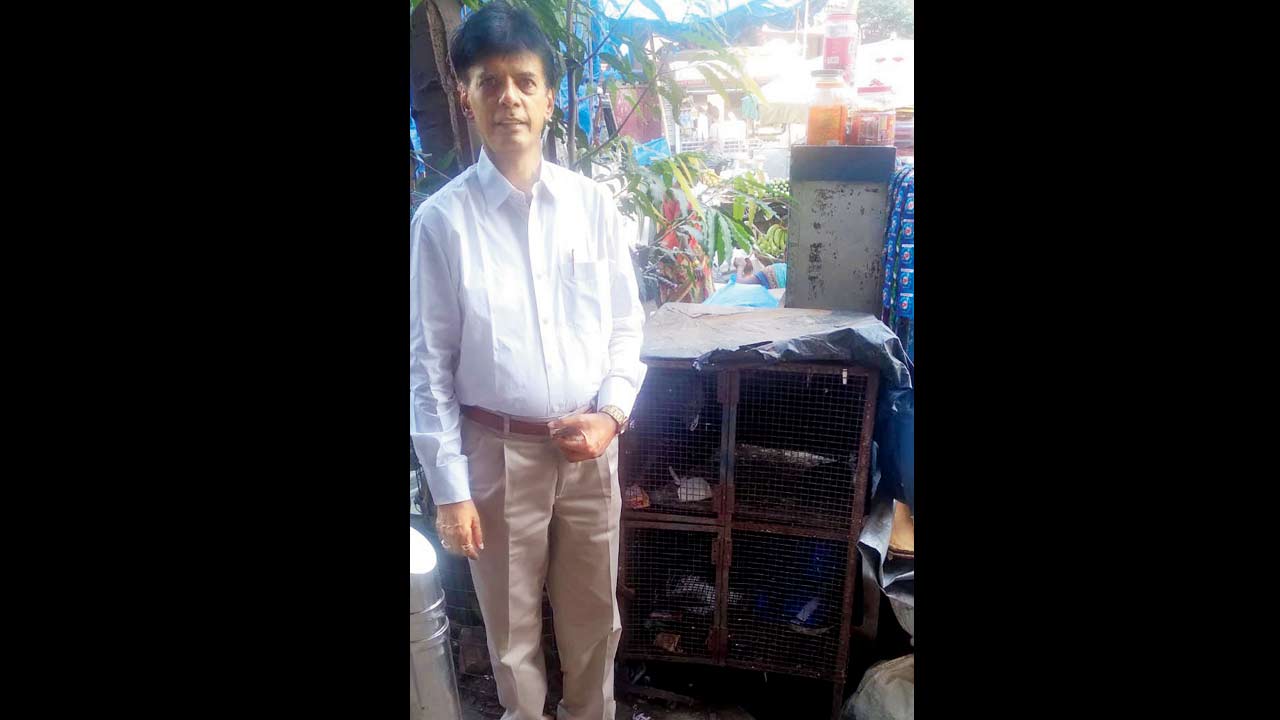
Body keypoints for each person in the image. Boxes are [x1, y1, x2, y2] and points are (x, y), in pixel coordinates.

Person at [409, 4, 646, 720]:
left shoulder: (593, 207)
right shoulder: (442, 224)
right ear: (466, 97)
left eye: (523, 81)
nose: (508, 97)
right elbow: (427, 366)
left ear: (547, 98)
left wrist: (611, 415)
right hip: (495, 455)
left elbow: (626, 326)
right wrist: (449, 492)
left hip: (587, 450)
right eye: (489, 83)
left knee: (594, 623)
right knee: (510, 639)